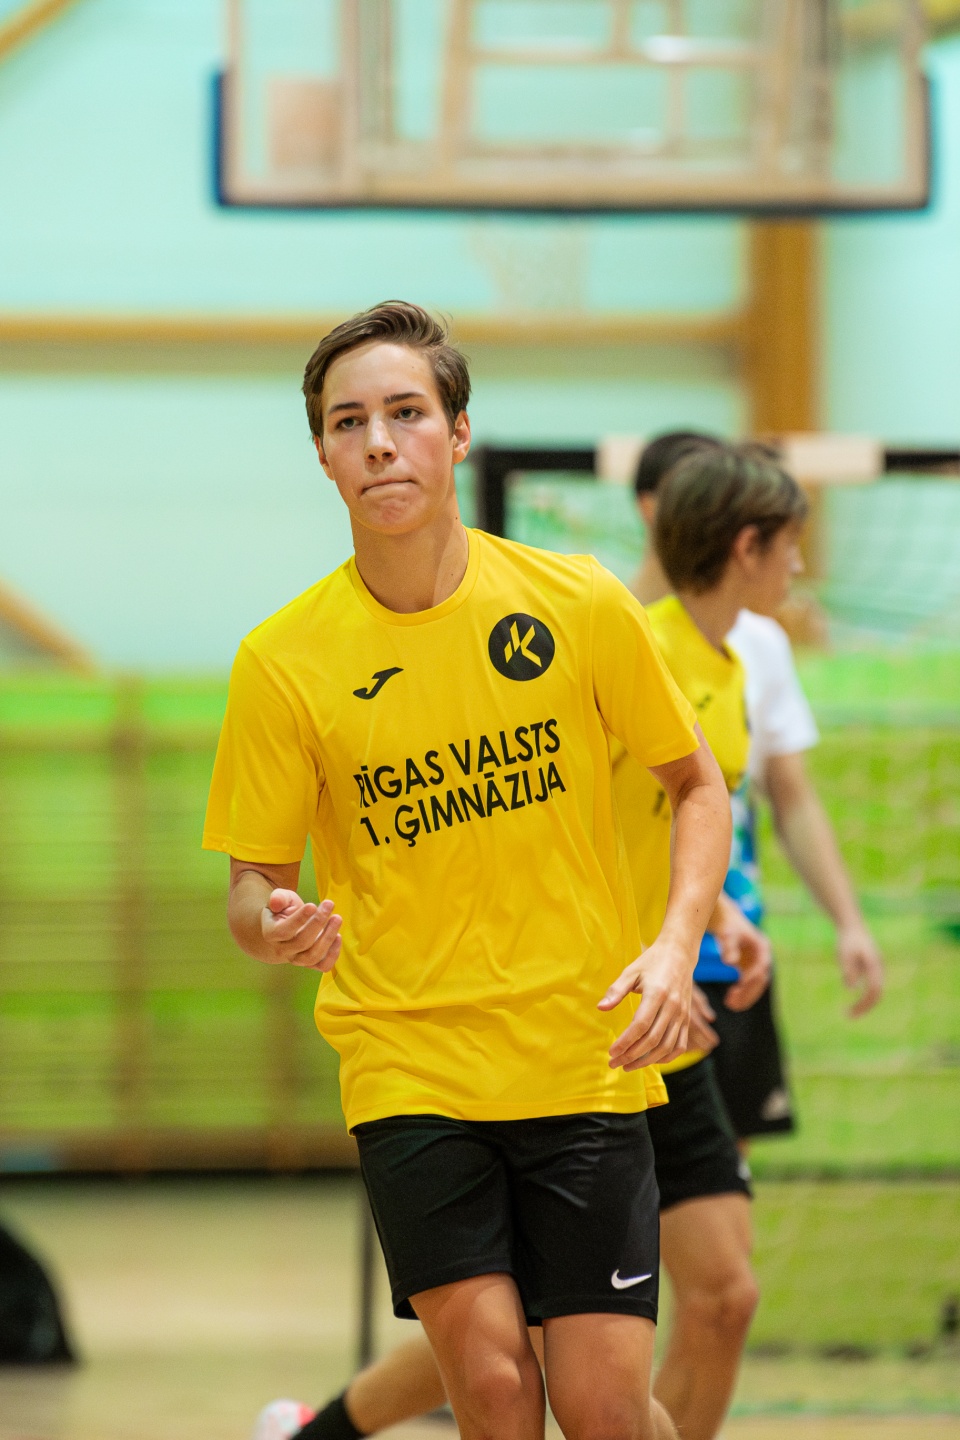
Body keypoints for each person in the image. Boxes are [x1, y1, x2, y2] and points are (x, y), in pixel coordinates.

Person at [203, 302, 733, 1440]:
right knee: (492, 1387)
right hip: (409, 1063)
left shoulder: (577, 603)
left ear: (458, 434)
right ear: (323, 455)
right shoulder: (283, 662)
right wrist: (274, 923)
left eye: (406, 413)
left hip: (581, 1050)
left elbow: (698, 786)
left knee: (603, 1407)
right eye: (349, 422)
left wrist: (674, 944)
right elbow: (252, 888)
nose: (379, 442)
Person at [632, 430, 884, 1140]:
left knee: (722, 1195)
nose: (799, 564)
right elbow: (604, 828)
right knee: (643, 1194)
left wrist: (840, 921)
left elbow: (786, 796)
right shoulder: (634, 645)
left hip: (720, 940)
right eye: (790, 544)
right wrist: (660, 952)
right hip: (636, 965)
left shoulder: (744, 658)